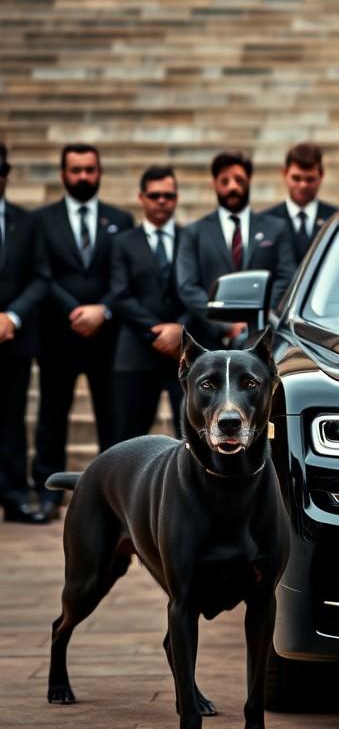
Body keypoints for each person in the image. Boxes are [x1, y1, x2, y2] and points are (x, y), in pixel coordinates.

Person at [33, 144, 133, 520]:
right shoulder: (42, 221)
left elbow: (125, 275)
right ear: (63, 174)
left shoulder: (120, 219)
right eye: (76, 170)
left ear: (100, 171)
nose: (83, 177)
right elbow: (42, 274)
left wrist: (102, 310)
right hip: (58, 335)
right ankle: (47, 493)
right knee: (51, 416)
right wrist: (74, 311)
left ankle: (115, 494)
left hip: (107, 338)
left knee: (112, 418)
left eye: (90, 169)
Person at [176, 151, 296, 349]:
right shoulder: (194, 232)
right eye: (225, 181)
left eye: (239, 179)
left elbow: (286, 276)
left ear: (249, 180)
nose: (232, 186)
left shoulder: (276, 228)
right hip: (208, 341)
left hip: (264, 338)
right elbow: (187, 287)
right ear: (214, 183)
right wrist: (224, 325)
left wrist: (259, 317)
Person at [109, 167, 187, 442]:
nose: (162, 201)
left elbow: (198, 290)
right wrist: (157, 330)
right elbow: (119, 294)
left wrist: (180, 329)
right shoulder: (123, 242)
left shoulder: (191, 238)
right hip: (136, 353)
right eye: (155, 195)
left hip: (182, 353)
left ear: (176, 198)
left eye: (168, 195)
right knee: (128, 440)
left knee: (191, 438)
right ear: (142, 198)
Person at [0, 145, 50, 524]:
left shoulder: (26, 223)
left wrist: (12, 316)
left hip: (13, 339)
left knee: (12, 420)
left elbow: (40, 276)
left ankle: (15, 495)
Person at [262, 142, 338, 263]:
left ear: (321, 176)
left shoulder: (335, 219)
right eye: (296, 178)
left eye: (310, 179)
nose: (303, 185)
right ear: (284, 174)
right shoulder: (266, 221)